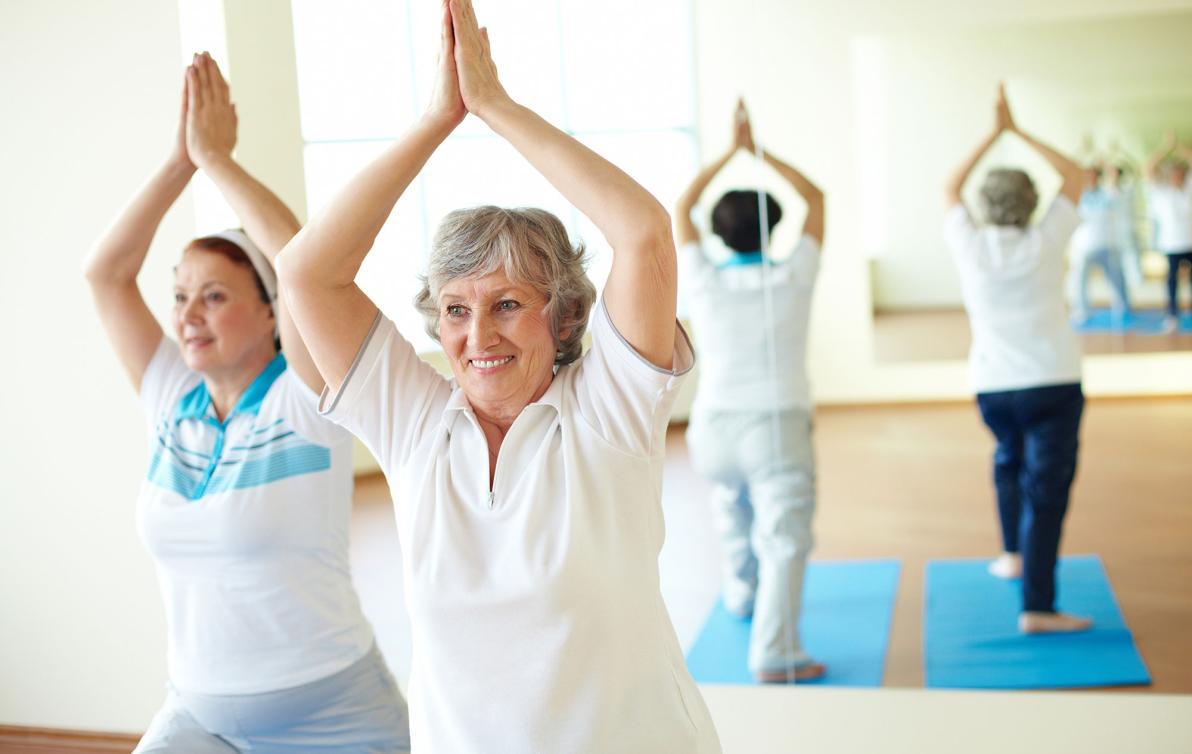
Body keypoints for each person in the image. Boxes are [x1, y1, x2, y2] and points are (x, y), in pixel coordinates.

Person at [276, 1, 721, 751]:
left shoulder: (609, 409)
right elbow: (306, 272)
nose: (476, 335)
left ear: (563, 316)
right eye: (454, 309)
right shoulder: (414, 423)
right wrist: (431, 124)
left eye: (507, 304)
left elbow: (642, 231)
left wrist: (495, 106)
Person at [84, 53, 410, 753]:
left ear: (272, 313)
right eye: (179, 296)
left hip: (335, 717)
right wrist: (181, 160)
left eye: (215, 296)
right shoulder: (171, 396)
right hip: (200, 715)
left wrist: (217, 160)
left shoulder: (306, 398)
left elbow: (302, 258)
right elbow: (105, 274)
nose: (187, 315)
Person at [673, 100, 826, 682]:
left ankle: (742, 595)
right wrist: (759, 152)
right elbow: (818, 200)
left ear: (717, 232)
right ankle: (776, 651)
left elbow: (682, 206)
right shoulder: (795, 273)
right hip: (777, 425)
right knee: (783, 536)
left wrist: (730, 153)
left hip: (712, 427)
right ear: (776, 227)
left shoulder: (704, 279)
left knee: (731, 508)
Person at [942, 83, 1092, 635]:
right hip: (1052, 383)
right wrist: (1018, 132)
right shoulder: (1048, 237)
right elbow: (1074, 176)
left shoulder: (970, 244)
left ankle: (1012, 554)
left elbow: (949, 186)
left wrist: (993, 133)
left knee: (1009, 461)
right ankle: (1038, 607)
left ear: (985, 206)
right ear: (1032, 202)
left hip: (993, 387)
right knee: (1045, 493)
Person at [1068, 163, 1132, 325]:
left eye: (1094, 175)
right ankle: (1082, 309)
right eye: (1087, 175)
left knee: (1117, 278)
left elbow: (1116, 179)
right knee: (1079, 279)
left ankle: (1123, 308)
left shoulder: (1108, 192)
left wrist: (1107, 162)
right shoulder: (1078, 194)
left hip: (1106, 243)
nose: (1090, 178)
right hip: (1084, 246)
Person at [1143, 131, 1192, 331]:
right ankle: (1172, 315)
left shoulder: (1189, 187)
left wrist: (1178, 146)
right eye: (1172, 172)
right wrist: (1166, 147)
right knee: (1172, 282)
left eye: (1179, 172)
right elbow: (1149, 168)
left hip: (1190, 242)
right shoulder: (1161, 191)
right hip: (1171, 244)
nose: (1176, 175)